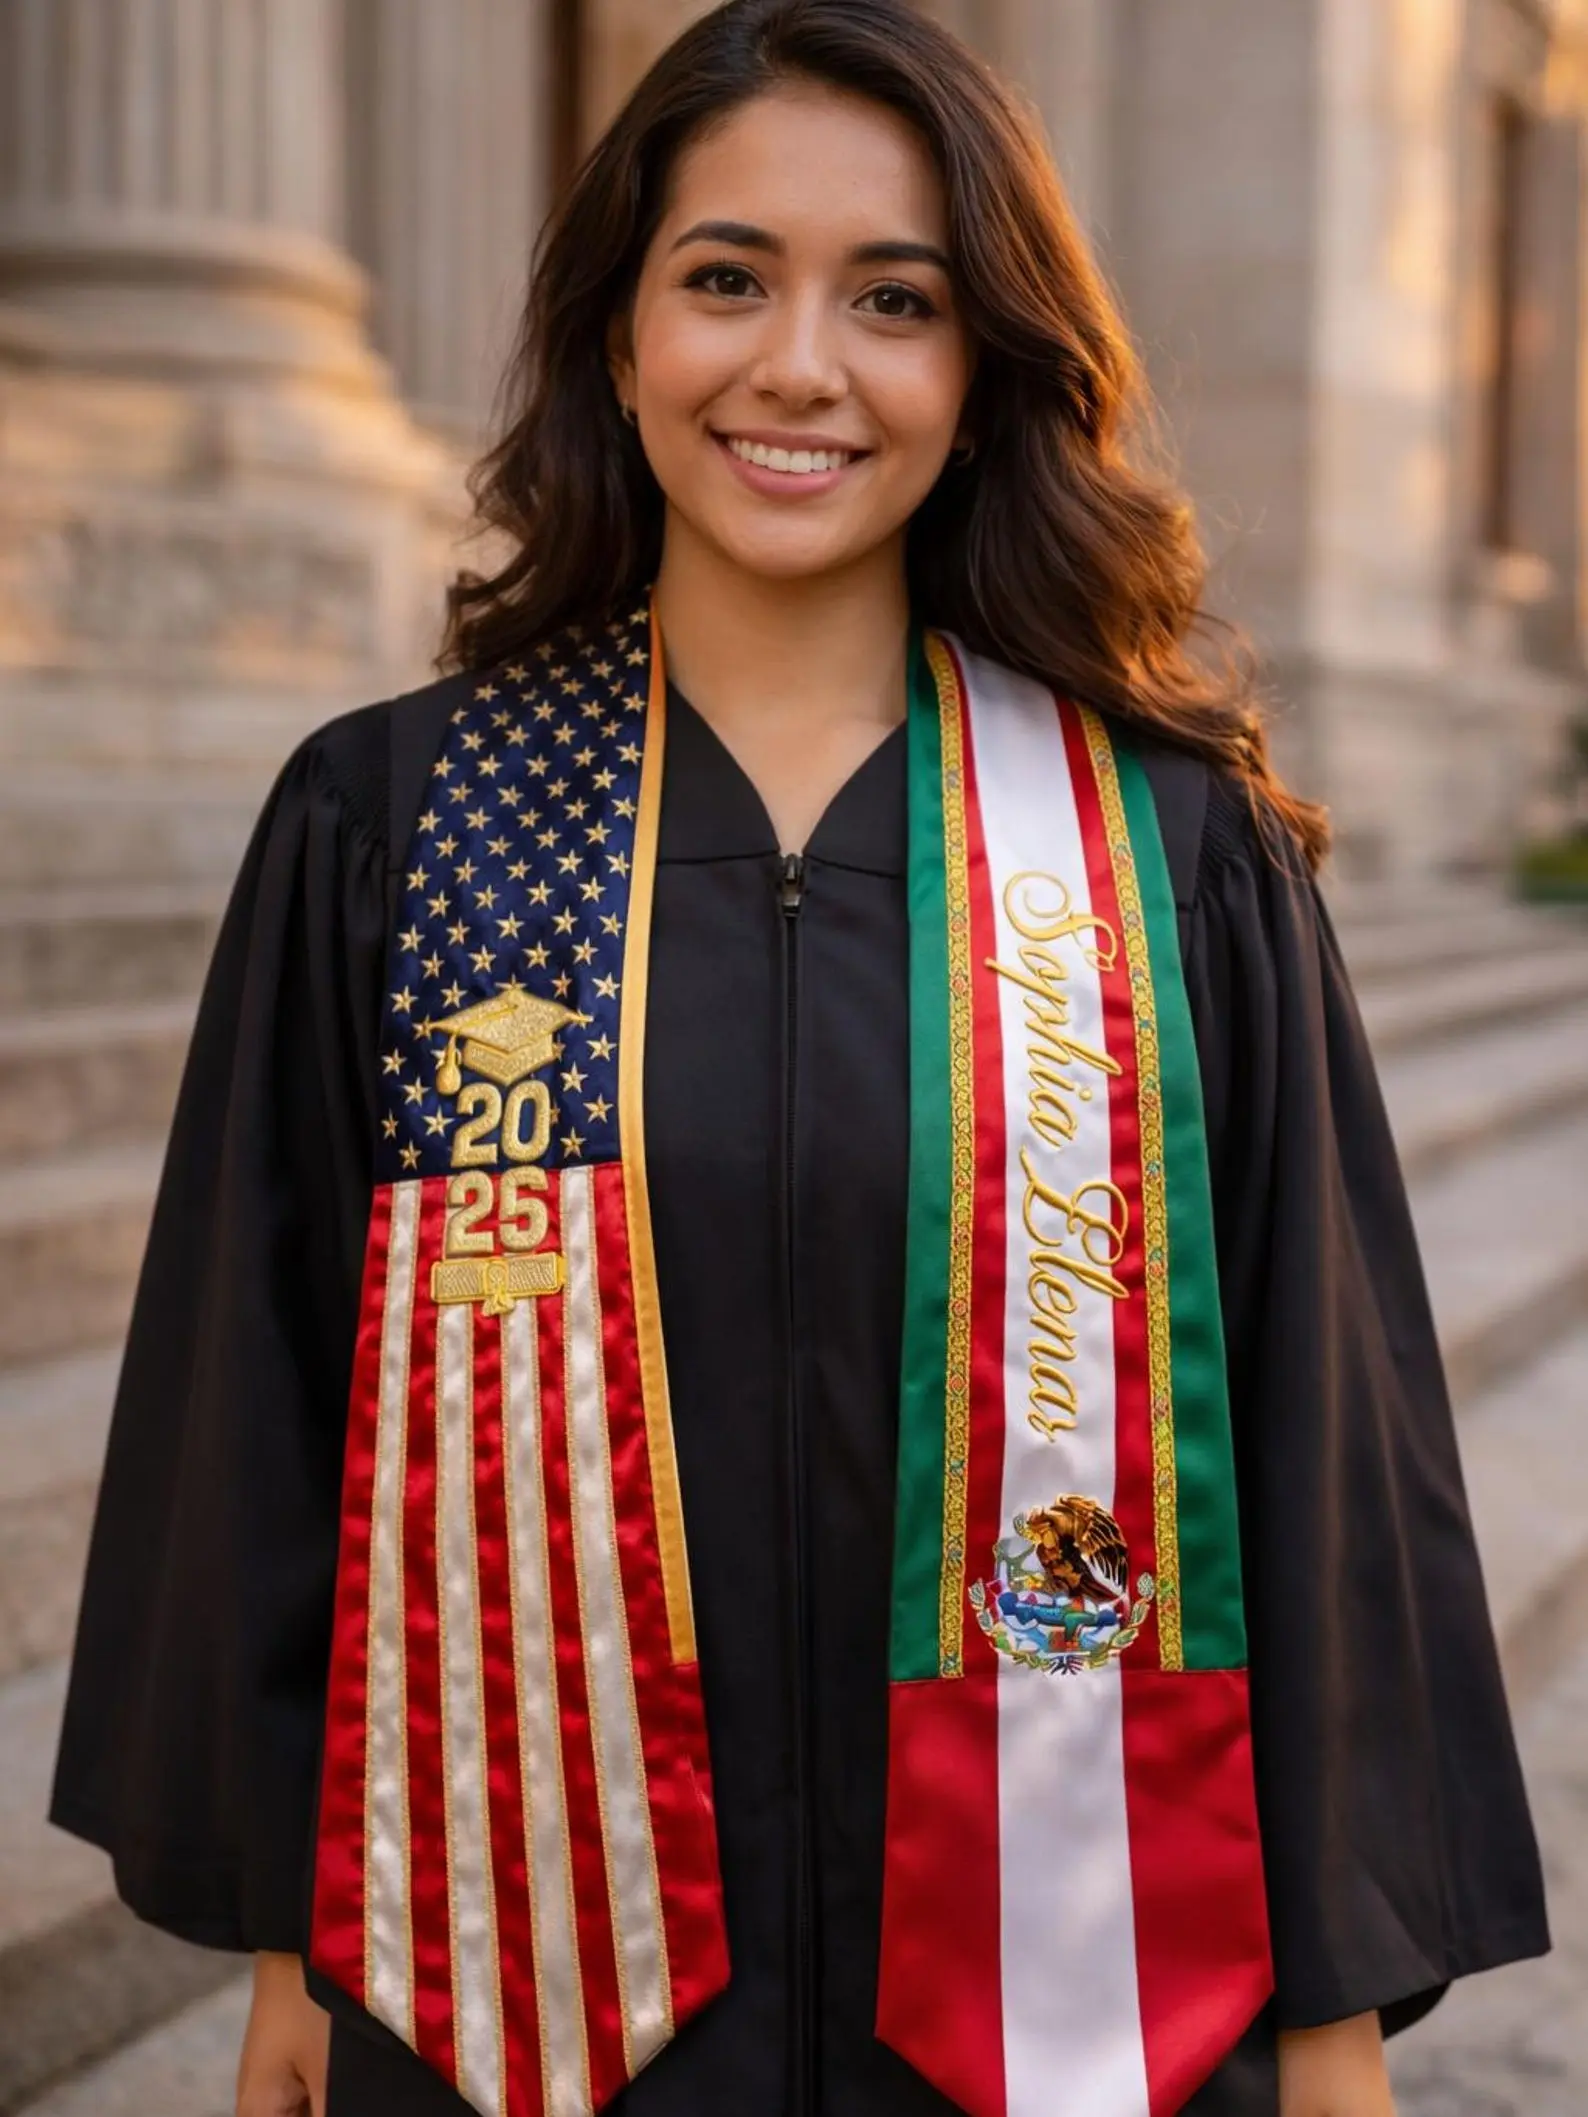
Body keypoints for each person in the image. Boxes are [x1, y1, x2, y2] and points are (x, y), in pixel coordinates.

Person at [47, 3, 1548, 2114]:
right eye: (726, 277)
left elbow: (1320, 1448)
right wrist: (298, 1934)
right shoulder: (398, 830)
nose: (801, 367)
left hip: (1073, 2007)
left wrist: (1330, 2020)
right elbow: (264, 1394)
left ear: (985, 368)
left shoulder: (1159, 861)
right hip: (514, 2001)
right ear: (617, 332)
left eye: (895, 300)